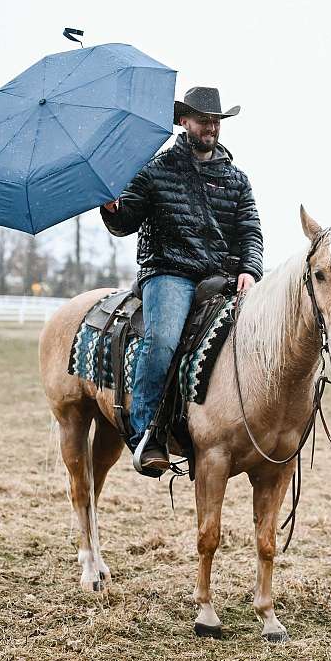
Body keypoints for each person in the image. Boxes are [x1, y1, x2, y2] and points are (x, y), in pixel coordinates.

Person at [100, 86, 263, 473]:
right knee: (162, 339)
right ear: (183, 121)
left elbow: (250, 231)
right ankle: (146, 433)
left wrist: (249, 269)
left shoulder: (236, 179)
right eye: (203, 119)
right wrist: (112, 207)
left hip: (222, 277)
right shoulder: (155, 171)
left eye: (216, 121)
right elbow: (126, 222)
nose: (211, 127)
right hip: (169, 271)